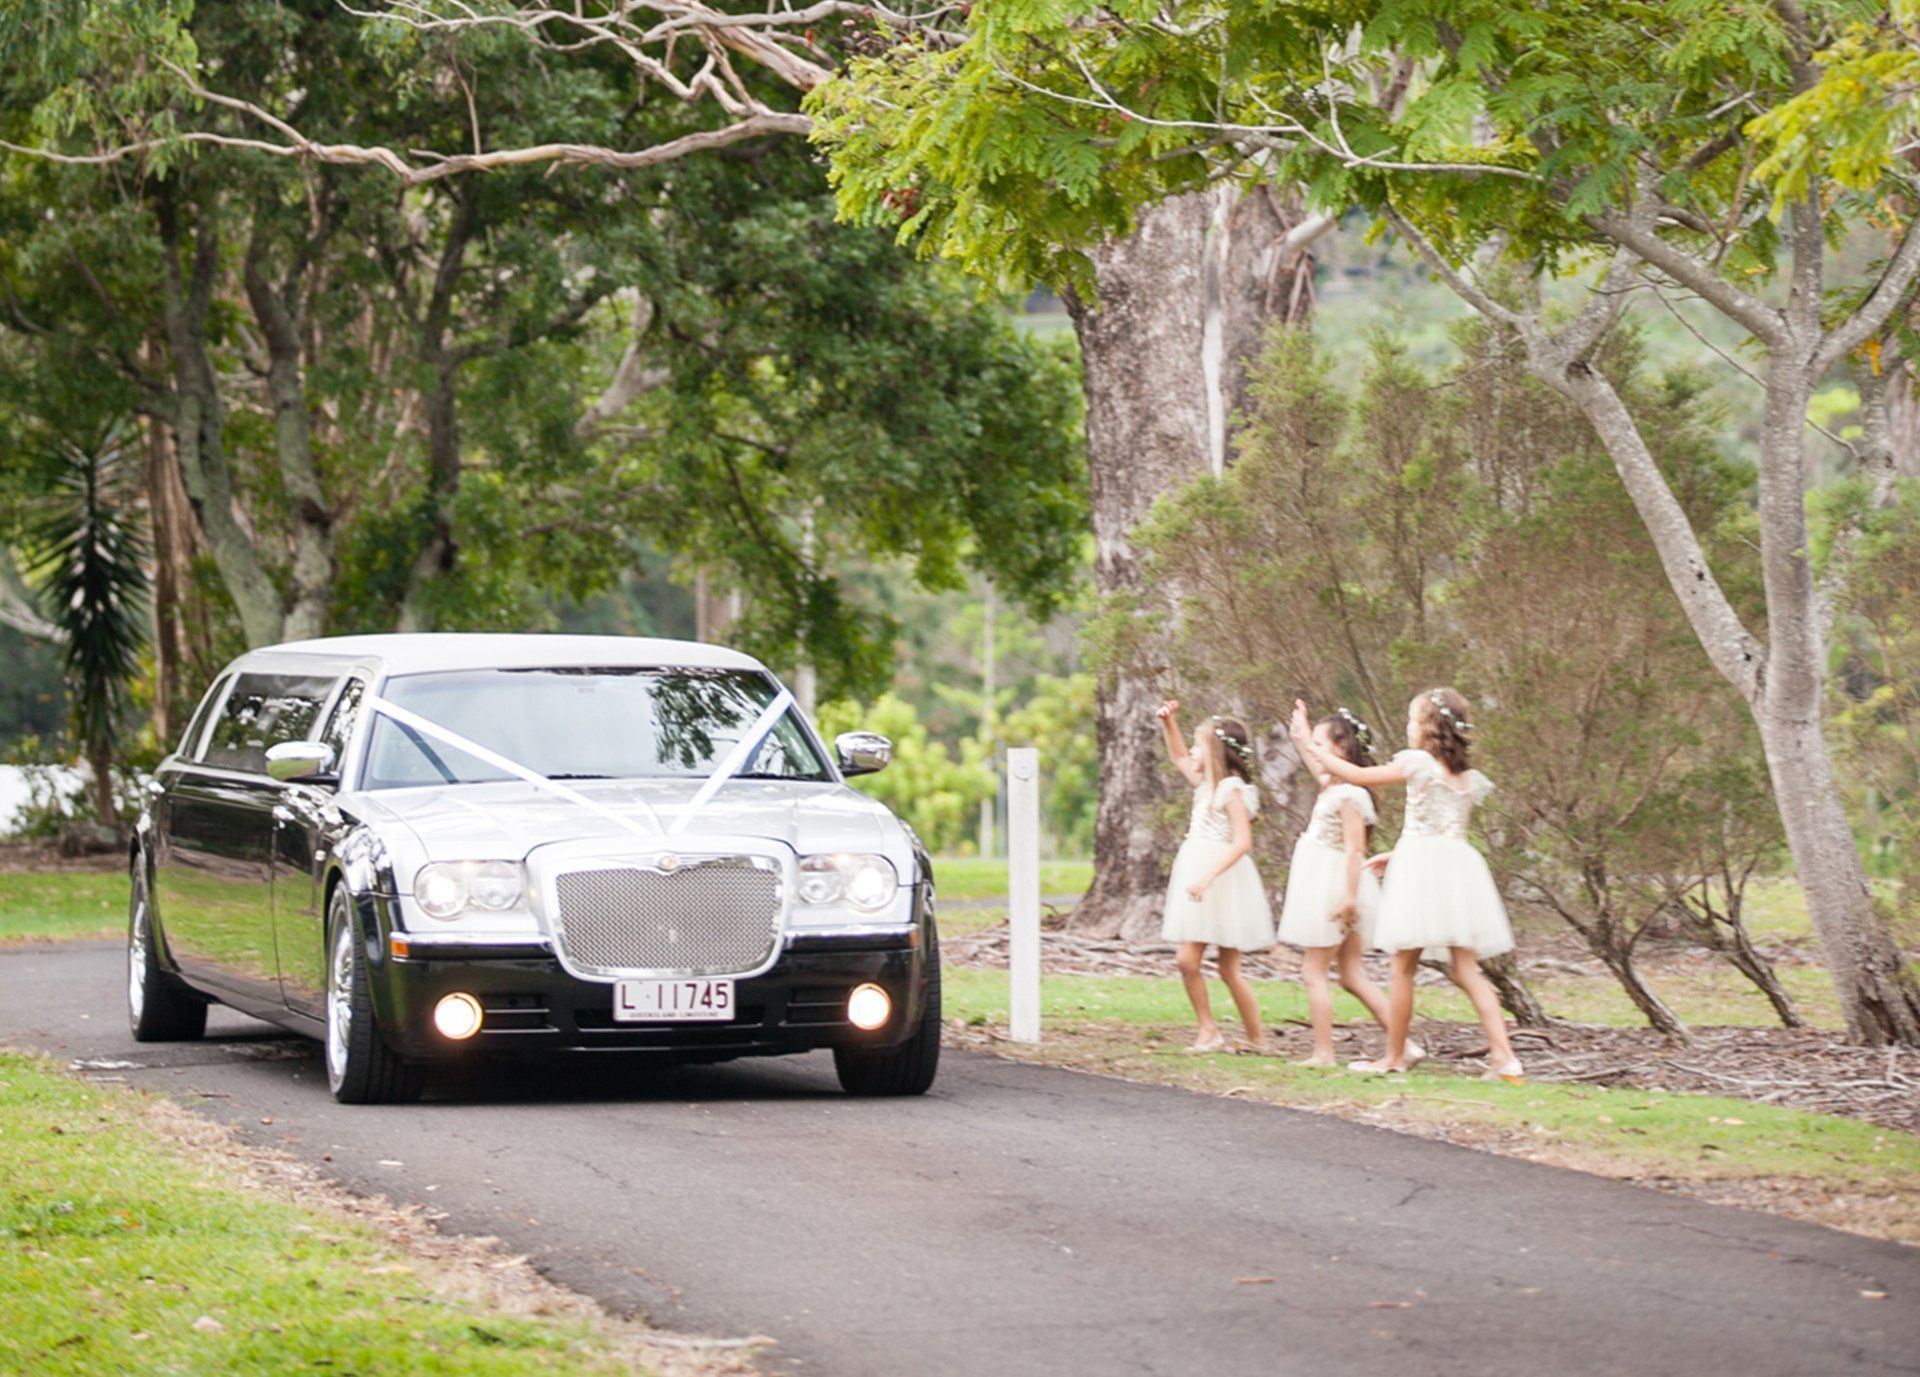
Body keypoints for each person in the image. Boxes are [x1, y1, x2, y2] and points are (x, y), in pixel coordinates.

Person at [1288, 688, 1523, 1082]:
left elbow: (1358, 775)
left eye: (1413, 720)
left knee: (1402, 968)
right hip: (1456, 868)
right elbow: (1446, 831)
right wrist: (1393, 856)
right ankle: (1505, 1057)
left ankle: (1395, 1056)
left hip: (1423, 871)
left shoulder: (1417, 763)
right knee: (1467, 970)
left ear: (1428, 727)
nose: (1408, 727)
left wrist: (1311, 747)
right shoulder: (1464, 778)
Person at [1274, 708, 1416, 1068]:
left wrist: (1350, 899)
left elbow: (1356, 849)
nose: (1317, 752)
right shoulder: (1334, 785)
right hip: (1333, 882)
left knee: (1313, 972)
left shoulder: (1350, 795)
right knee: (1352, 975)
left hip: (1335, 887)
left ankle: (1324, 1052)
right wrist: (1302, 735)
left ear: (1342, 748)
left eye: (1323, 744)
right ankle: (1406, 1045)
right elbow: (1314, 762)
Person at [1156, 699, 1274, 1053]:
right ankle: (1209, 1031)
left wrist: (1208, 877)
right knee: (1188, 960)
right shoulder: (1206, 784)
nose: (1191, 750)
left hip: (1221, 879)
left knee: (1227, 967)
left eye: (1198, 745)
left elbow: (1242, 841)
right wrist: (1169, 722)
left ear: (1216, 752)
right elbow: (1178, 756)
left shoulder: (1230, 789)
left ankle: (1256, 1038)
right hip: (1198, 870)